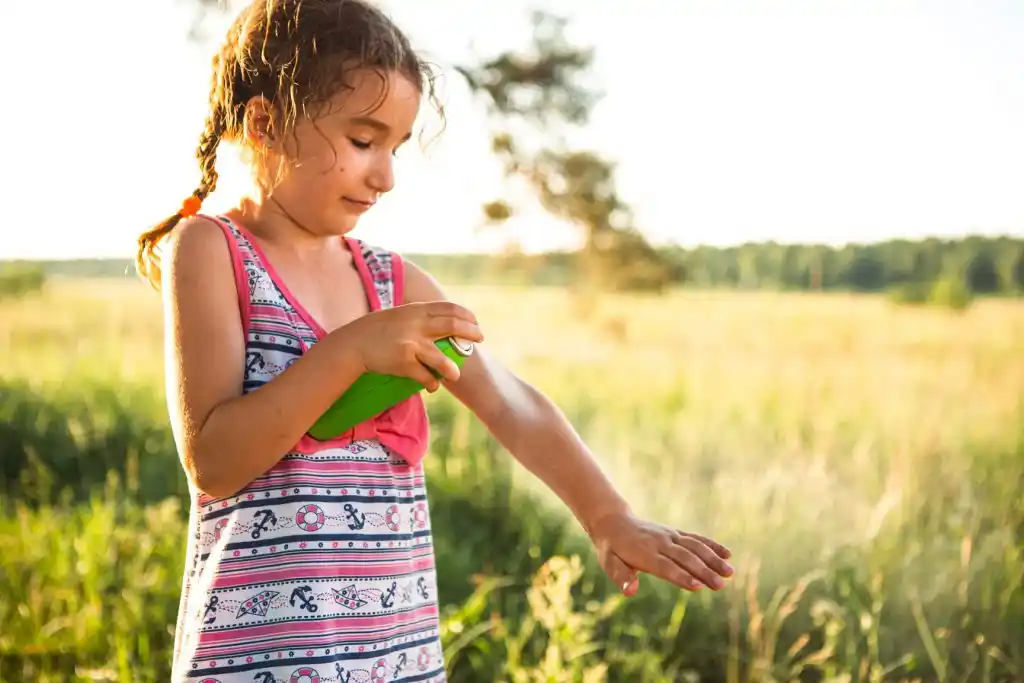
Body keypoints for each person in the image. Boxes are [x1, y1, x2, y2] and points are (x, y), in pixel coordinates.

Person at [138, 1, 734, 681]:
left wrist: (608, 516)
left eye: (395, 148)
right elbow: (213, 460)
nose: (385, 175)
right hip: (261, 657)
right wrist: (351, 352)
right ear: (266, 122)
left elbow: (513, 403)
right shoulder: (213, 250)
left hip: (395, 655)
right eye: (363, 142)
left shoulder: (395, 284)